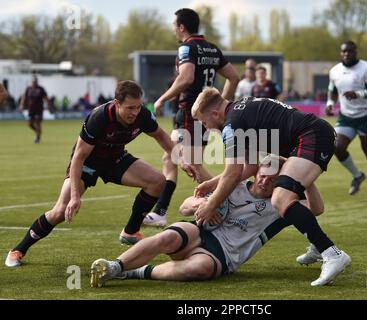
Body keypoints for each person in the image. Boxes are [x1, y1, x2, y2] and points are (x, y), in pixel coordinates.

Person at [4, 80, 195, 268]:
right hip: (87, 164)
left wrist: (182, 160)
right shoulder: (99, 117)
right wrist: (74, 196)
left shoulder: (142, 115)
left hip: (115, 159)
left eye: (138, 107)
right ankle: (18, 249)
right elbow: (78, 157)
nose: (135, 112)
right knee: (60, 211)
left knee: (157, 182)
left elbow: (161, 136)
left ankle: (130, 232)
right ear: (117, 103)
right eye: (130, 108)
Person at [90, 156, 341, 287]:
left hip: (224, 255)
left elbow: (317, 208)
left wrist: (305, 177)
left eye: (274, 180)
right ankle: (114, 267)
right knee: (167, 237)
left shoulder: (280, 204)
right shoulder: (233, 185)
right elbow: (185, 206)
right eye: (264, 176)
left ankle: (135, 272)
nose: (266, 182)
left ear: (282, 182)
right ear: (256, 172)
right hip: (197, 232)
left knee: (199, 269)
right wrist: (203, 205)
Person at [190, 88, 351, 286]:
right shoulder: (242, 108)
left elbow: (233, 174)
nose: (207, 129)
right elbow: (249, 167)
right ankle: (319, 246)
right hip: (312, 135)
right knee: (299, 203)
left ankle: (331, 253)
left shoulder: (232, 125)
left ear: (214, 113)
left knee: (280, 199)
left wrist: (211, 204)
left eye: (205, 123)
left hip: (311, 137)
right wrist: (213, 182)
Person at [144, 8, 240, 227]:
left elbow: (186, 78)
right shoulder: (213, 49)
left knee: (177, 159)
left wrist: (162, 99)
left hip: (189, 111)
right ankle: (228, 200)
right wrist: (219, 106)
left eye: (174, 26)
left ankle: (161, 211)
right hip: (202, 114)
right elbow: (234, 78)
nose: (173, 30)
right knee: (187, 162)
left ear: (181, 27)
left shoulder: (187, 48)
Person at [326, 41, 367, 201]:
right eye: (344, 51)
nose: (347, 54)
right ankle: (357, 175)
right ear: (341, 53)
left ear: (356, 52)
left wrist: (359, 94)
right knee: (336, 148)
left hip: (366, 115)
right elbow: (332, 90)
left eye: (350, 51)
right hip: (346, 117)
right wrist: (330, 104)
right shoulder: (335, 71)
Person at [19, 76, 51, 144]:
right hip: (31, 109)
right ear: (32, 82)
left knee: (37, 123)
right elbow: (24, 97)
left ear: (37, 82)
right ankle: (38, 132)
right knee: (30, 124)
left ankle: (38, 138)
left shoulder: (41, 89)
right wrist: (21, 105)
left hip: (39, 109)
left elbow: (46, 98)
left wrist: (49, 107)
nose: (34, 83)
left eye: (35, 82)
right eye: (33, 82)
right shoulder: (28, 89)